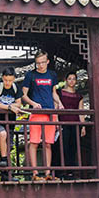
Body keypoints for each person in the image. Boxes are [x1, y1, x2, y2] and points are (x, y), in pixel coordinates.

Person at [22, 50, 62, 181]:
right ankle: (35, 172)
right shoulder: (30, 75)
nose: (40, 65)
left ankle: (47, 172)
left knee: (48, 143)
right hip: (36, 113)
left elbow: (54, 92)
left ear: (47, 61)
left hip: (49, 112)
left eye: (43, 62)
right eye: (38, 63)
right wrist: (33, 103)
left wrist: (59, 103)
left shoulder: (52, 75)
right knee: (34, 142)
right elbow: (24, 95)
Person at [0, 67, 23, 179]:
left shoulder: (15, 87)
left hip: (11, 120)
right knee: (2, 134)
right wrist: (9, 107)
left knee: (9, 145)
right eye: (6, 80)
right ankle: (3, 160)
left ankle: (6, 174)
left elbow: (19, 104)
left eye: (10, 80)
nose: (8, 83)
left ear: (14, 79)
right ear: (3, 78)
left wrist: (9, 107)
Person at [56, 71, 86, 179]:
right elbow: (56, 107)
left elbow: (81, 111)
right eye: (69, 78)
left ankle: (70, 171)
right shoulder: (59, 93)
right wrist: (56, 122)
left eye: (74, 79)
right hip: (63, 123)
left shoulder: (79, 96)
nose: (71, 81)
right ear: (65, 80)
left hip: (75, 123)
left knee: (73, 147)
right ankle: (61, 171)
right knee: (62, 146)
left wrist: (83, 126)